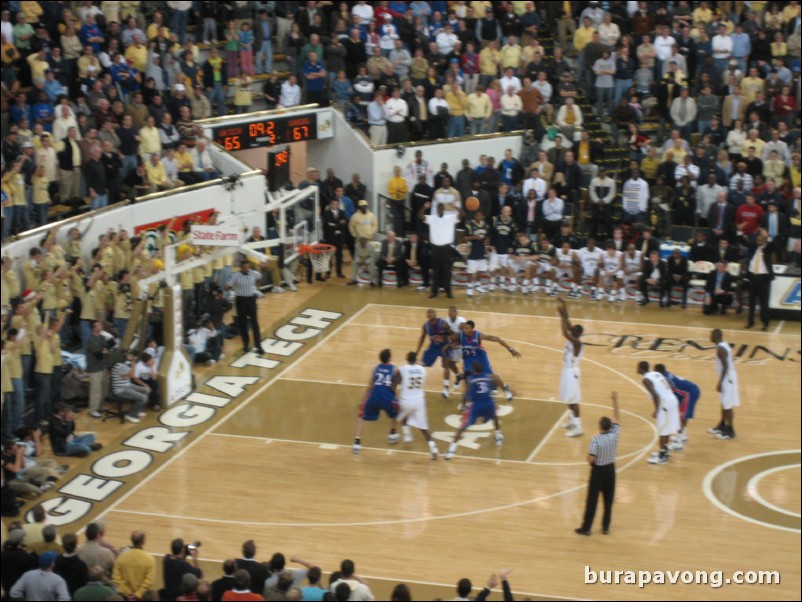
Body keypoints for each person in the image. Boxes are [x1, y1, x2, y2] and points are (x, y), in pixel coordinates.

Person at [576, 391, 621, 536]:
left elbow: (591, 459)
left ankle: (587, 528)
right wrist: (615, 400)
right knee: (608, 501)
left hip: (598, 472)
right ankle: (605, 527)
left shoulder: (596, 440)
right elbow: (617, 417)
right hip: (610, 470)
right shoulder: (615, 435)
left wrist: (590, 461)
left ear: (600, 427)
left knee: (592, 501)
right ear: (610, 427)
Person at [444, 361, 509, 460]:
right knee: (495, 417)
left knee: (462, 427)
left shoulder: (472, 380)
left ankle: (451, 450)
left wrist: (463, 406)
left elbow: (466, 395)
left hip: (477, 405)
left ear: (473, 370)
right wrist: (506, 389)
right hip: (488, 403)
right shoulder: (488, 376)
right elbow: (496, 379)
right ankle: (498, 435)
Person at [353, 349, 400, 454]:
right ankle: (392, 434)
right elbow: (395, 387)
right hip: (388, 399)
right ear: (389, 358)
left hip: (374, 397)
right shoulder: (395, 369)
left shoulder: (375, 368)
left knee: (361, 415)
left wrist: (362, 402)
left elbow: (369, 387)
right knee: (396, 410)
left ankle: (357, 443)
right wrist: (397, 398)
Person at [395, 351, 439, 460]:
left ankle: (407, 434)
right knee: (424, 427)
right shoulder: (423, 370)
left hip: (406, 400)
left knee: (402, 413)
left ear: (406, 359)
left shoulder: (401, 369)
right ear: (416, 359)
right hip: (419, 400)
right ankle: (433, 447)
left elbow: (394, 385)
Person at [638, 361, 680, 465]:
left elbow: (655, 395)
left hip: (665, 403)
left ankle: (662, 456)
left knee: (662, 430)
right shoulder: (656, 373)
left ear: (641, 369)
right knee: (667, 428)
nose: (637, 369)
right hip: (672, 399)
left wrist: (656, 410)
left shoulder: (646, 380)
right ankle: (665, 452)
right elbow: (670, 384)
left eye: (637, 367)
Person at [556, 297, 584, 438]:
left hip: (572, 372)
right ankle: (572, 420)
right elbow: (568, 323)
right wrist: (564, 304)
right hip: (566, 370)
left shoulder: (577, 342)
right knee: (568, 398)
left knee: (574, 400)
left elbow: (564, 332)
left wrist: (561, 316)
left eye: (573, 329)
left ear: (577, 333)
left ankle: (578, 427)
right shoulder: (574, 334)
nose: (570, 328)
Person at [226, 260, 265, 355]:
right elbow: (227, 286)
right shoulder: (235, 276)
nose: (246, 269)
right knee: (243, 324)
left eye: (247, 267)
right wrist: (232, 288)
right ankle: (246, 345)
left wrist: (257, 287)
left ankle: (258, 346)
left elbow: (260, 277)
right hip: (240, 300)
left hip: (251, 300)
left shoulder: (254, 273)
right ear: (241, 268)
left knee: (255, 323)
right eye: (244, 267)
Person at [655, 364, 699, 448]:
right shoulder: (666, 374)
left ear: (659, 371)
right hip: (688, 391)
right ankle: (682, 435)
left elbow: (672, 389)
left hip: (688, 393)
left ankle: (678, 442)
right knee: (681, 416)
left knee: (682, 416)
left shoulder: (665, 378)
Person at [415, 309, 454, 399]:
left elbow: (453, 335)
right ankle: (413, 381)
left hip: (444, 345)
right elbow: (422, 338)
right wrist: (417, 351)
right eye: (428, 313)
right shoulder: (426, 326)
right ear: (427, 316)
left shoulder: (443, 324)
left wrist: (448, 344)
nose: (430, 314)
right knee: (422, 364)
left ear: (435, 314)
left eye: (432, 313)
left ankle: (446, 388)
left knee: (446, 365)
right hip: (433, 347)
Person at [709, 329, 740, 440]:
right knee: (724, 403)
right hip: (729, 376)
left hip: (727, 377)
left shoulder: (720, 348)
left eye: (711, 334)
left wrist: (720, 382)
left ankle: (730, 430)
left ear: (716, 336)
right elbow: (732, 358)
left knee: (728, 406)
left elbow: (726, 366)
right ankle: (722, 425)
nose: (710, 336)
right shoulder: (725, 345)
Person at [744, 229, 774, 331]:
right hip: (752, 277)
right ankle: (750, 322)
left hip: (763, 278)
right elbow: (743, 241)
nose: (759, 242)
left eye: (761, 240)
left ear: (764, 241)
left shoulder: (767, 249)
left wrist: (768, 236)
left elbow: (773, 246)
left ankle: (765, 323)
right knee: (751, 301)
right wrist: (739, 231)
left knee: (763, 302)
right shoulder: (753, 248)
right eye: (758, 240)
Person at [112, 531, 155, 600]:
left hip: (125, 597)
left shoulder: (121, 557)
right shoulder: (150, 559)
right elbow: (149, 581)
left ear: (132, 541)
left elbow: (116, 578)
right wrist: (138, 594)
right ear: (143, 542)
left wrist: (128, 593)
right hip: (142, 597)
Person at [464, 210, 490, 297]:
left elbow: (487, 238)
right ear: (474, 217)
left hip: (481, 250)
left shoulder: (485, 225)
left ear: (483, 217)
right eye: (477, 216)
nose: (478, 217)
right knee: (471, 271)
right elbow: (464, 238)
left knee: (480, 270)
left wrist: (486, 244)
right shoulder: (469, 225)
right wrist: (474, 237)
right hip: (472, 250)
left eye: (480, 216)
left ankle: (478, 286)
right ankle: (469, 288)